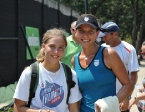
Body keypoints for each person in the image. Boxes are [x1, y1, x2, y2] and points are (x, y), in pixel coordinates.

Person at [72, 14, 133, 112]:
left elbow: (128, 85)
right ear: (75, 32)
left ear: (97, 34)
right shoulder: (74, 59)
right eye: (81, 31)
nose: (85, 35)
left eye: (90, 31)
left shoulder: (108, 54)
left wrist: (109, 105)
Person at [13, 28, 82, 112]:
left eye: (61, 47)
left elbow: (74, 109)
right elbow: (18, 108)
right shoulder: (30, 73)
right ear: (43, 46)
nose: (56, 52)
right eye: (52, 46)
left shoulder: (71, 75)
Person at [98, 22, 139, 112]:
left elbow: (133, 75)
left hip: (121, 99)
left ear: (115, 34)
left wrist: (127, 97)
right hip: (104, 99)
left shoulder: (129, 49)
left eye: (106, 36)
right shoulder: (101, 48)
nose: (103, 38)